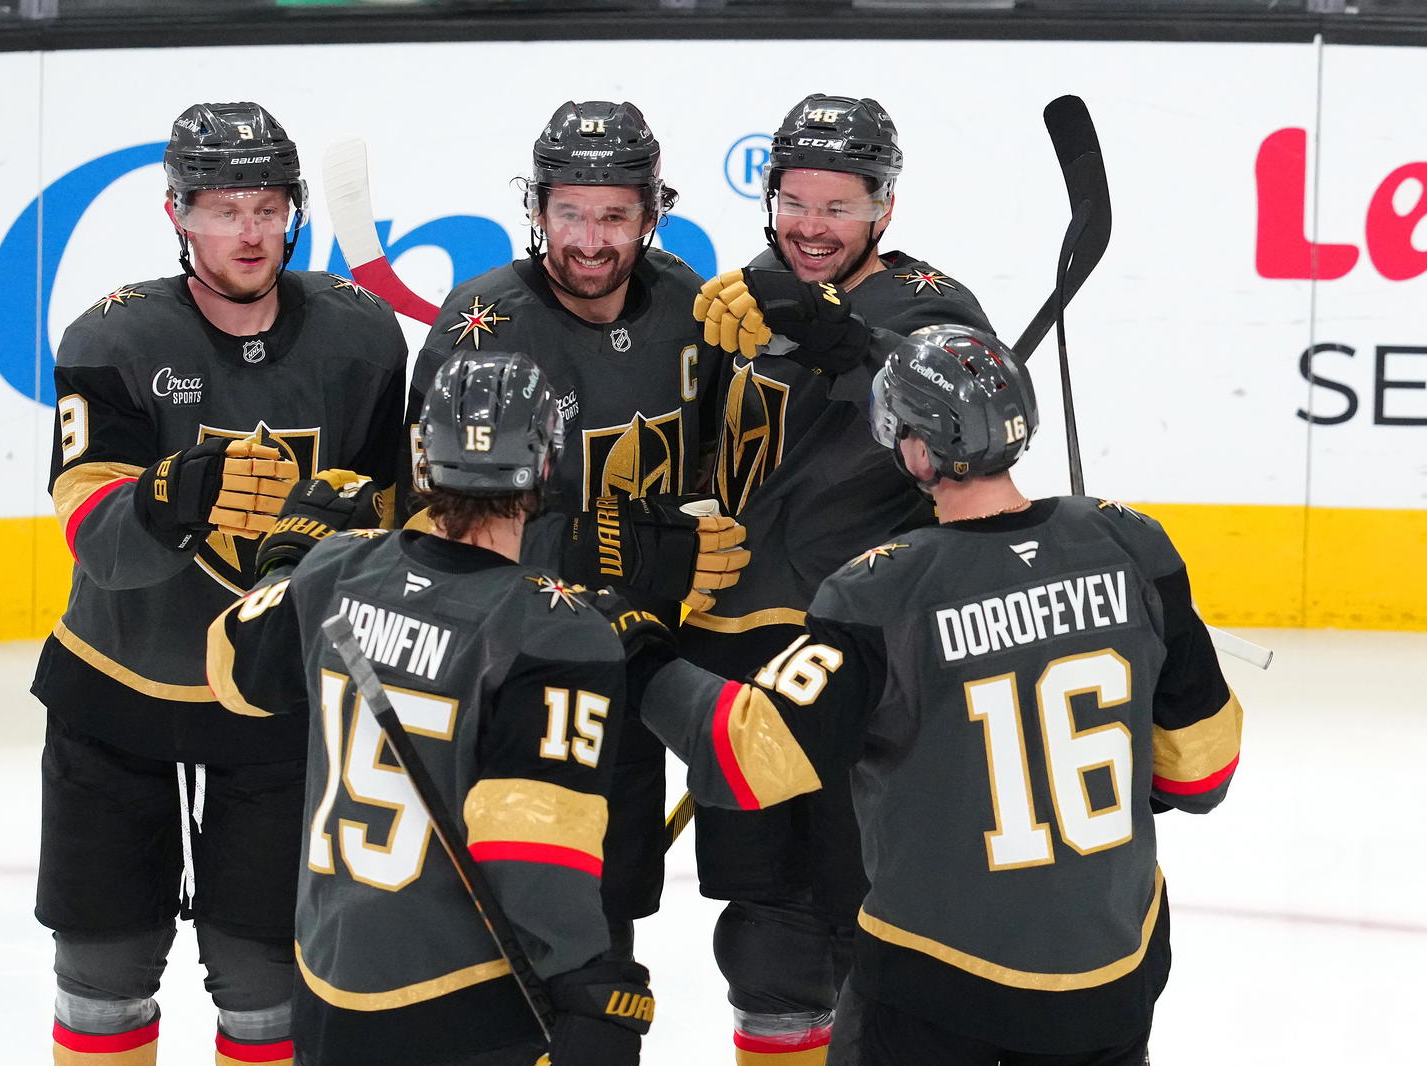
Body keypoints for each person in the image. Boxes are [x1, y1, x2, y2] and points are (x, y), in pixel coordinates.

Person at [601, 324, 1243, 1065]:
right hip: (1114, 974)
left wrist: (640, 652)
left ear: (914, 449)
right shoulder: (1130, 544)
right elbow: (1202, 776)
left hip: (936, 981)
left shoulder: (883, 589)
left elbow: (749, 754)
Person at [32, 101, 407, 1066]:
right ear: (177, 216)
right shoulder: (110, 340)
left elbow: (396, 528)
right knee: (103, 978)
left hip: (277, 699)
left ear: (294, 211)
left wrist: (352, 520)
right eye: (225, 207)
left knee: (266, 986)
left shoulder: (360, 340)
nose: (250, 230)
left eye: (268, 205)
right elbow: (98, 544)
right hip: (117, 689)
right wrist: (168, 494)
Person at [206, 351, 655, 1066]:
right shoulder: (553, 630)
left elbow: (233, 669)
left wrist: (286, 561)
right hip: (466, 1001)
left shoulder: (339, 566)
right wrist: (584, 971)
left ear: (424, 460)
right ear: (545, 463)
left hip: (328, 989)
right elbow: (530, 852)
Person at [683, 93, 997, 1064]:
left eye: (838, 208)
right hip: (739, 661)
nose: (811, 228)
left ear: (884, 211)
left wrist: (833, 336)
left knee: (877, 912)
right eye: (794, 202)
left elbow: (966, 441)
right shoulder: (736, 298)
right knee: (764, 922)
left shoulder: (932, 308)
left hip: (870, 665)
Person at [403, 99, 743, 952]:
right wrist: (595, 551)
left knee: (604, 938)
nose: (590, 241)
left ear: (651, 214)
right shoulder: (480, 323)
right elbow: (424, 518)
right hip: (501, 676)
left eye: (615, 217)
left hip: (628, 668)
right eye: (570, 215)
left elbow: (712, 472)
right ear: (538, 208)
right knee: (486, 929)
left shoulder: (688, 307)